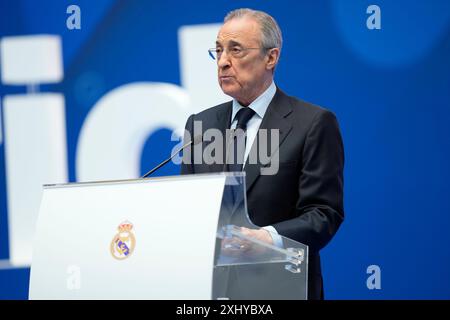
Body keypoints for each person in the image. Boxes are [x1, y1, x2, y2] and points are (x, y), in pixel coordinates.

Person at [180, 8, 344, 300]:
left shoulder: (312, 123)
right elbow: (188, 213)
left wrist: (267, 238)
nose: (223, 62)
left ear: (271, 57)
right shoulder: (200, 125)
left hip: (280, 289)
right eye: (217, 51)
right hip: (210, 293)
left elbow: (323, 215)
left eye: (236, 50)